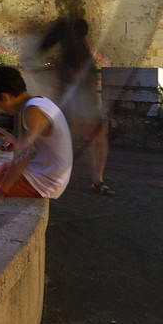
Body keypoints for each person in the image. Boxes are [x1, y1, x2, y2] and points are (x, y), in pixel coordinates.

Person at [0, 66, 73, 224]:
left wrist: (0, 192)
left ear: (5, 97)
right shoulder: (38, 102)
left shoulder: (32, 112)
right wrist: (16, 144)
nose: (0, 109)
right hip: (41, 171)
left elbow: (26, 154)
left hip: (43, 180)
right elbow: (28, 146)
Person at [53, 17, 116, 195]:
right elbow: (68, 75)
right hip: (78, 98)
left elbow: (67, 76)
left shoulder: (79, 48)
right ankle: (95, 179)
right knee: (77, 138)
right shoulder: (75, 49)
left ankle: (95, 179)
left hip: (82, 98)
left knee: (89, 137)